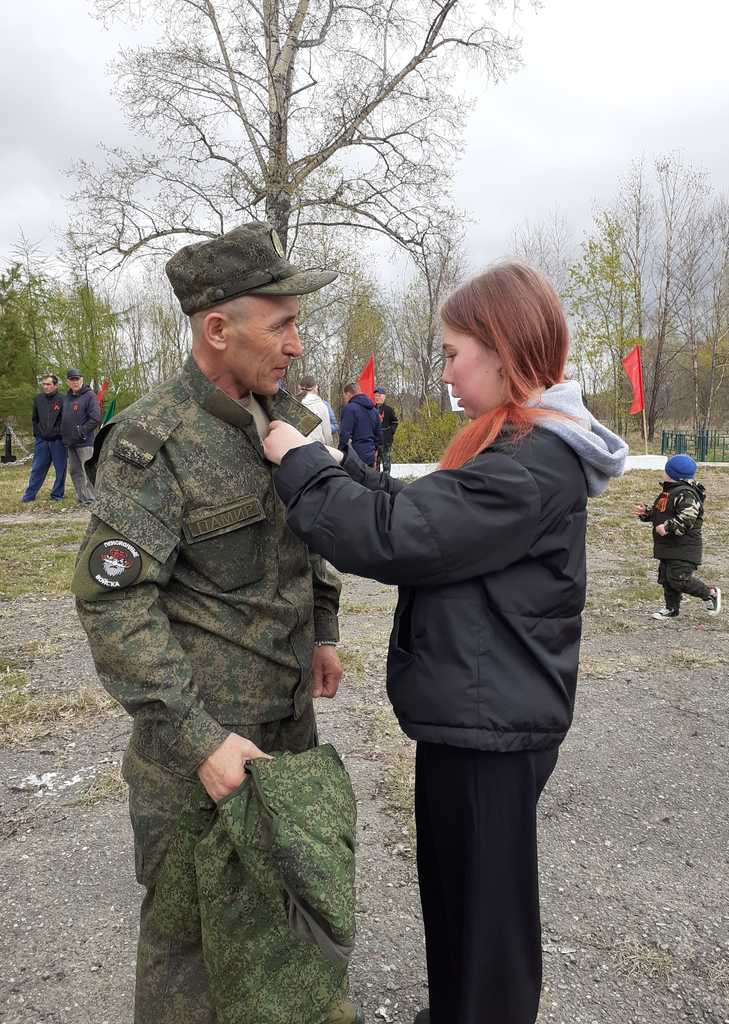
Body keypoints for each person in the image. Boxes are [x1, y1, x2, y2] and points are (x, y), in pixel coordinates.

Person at [263, 262, 627, 1024]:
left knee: (488, 923)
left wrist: (299, 465)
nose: (448, 372)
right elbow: (428, 506)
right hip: (477, 716)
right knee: (459, 898)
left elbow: (399, 535)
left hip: (492, 728)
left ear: (502, 350)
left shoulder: (530, 465)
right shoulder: (519, 449)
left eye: (455, 352)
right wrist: (340, 467)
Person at [71, 221, 361, 1024]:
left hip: (286, 735)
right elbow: (113, 603)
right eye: (283, 324)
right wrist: (197, 740)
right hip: (200, 755)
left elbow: (312, 535)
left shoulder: (290, 423)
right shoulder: (151, 443)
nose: (297, 344)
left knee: (289, 927)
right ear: (218, 329)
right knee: (189, 958)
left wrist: (324, 628)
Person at [633, 453, 722, 620]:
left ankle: (710, 593)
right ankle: (671, 608)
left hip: (684, 547)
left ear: (672, 474)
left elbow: (688, 518)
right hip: (668, 547)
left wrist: (667, 527)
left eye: (666, 470)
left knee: (679, 579)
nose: (663, 472)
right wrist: (647, 513)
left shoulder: (686, 493)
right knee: (667, 579)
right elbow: (662, 512)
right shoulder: (669, 492)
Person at [21, 373, 67, 503]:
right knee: (37, 469)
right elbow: (34, 419)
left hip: (58, 441)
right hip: (42, 441)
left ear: (55, 385)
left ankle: (57, 495)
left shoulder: (63, 399)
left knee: (60, 469)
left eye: (48, 384)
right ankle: (29, 495)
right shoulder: (38, 399)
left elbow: (65, 421)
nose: (45, 386)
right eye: (44, 384)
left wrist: (58, 433)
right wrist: (38, 434)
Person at [61, 368, 101, 505]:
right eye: (72, 380)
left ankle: (93, 499)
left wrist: (81, 431)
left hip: (85, 442)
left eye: (77, 379)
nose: (75, 382)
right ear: (68, 382)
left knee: (88, 471)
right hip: (70, 442)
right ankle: (83, 497)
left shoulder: (90, 396)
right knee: (75, 471)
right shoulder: (67, 398)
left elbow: (95, 418)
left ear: (82, 379)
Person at [339, 382, 382, 467]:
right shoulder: (374, 410)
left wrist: (340, 450)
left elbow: (345, 433)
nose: (345, 399)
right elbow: (379, 435)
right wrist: (375, 451)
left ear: (348, 394)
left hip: (355, 456)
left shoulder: (349, 409)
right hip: (371, 455)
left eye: (345, 396)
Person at [298, 373, 334, 444]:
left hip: (301, 444)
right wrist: (329, 445)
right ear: (315, 387)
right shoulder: (322, 406)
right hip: (317, 445)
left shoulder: (297, 405)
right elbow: (326, 430)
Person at [373, 386, 398, 475]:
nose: (377, 397)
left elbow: (395, 422)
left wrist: (390, 432)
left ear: (384, 397)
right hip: (375, 442)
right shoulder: (371, 409)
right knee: (375, 464)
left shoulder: (389, 409)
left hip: (386, 441)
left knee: (386, 464)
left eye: (379, 396)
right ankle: (376, 480)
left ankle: (387, 481)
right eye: (376, 396)